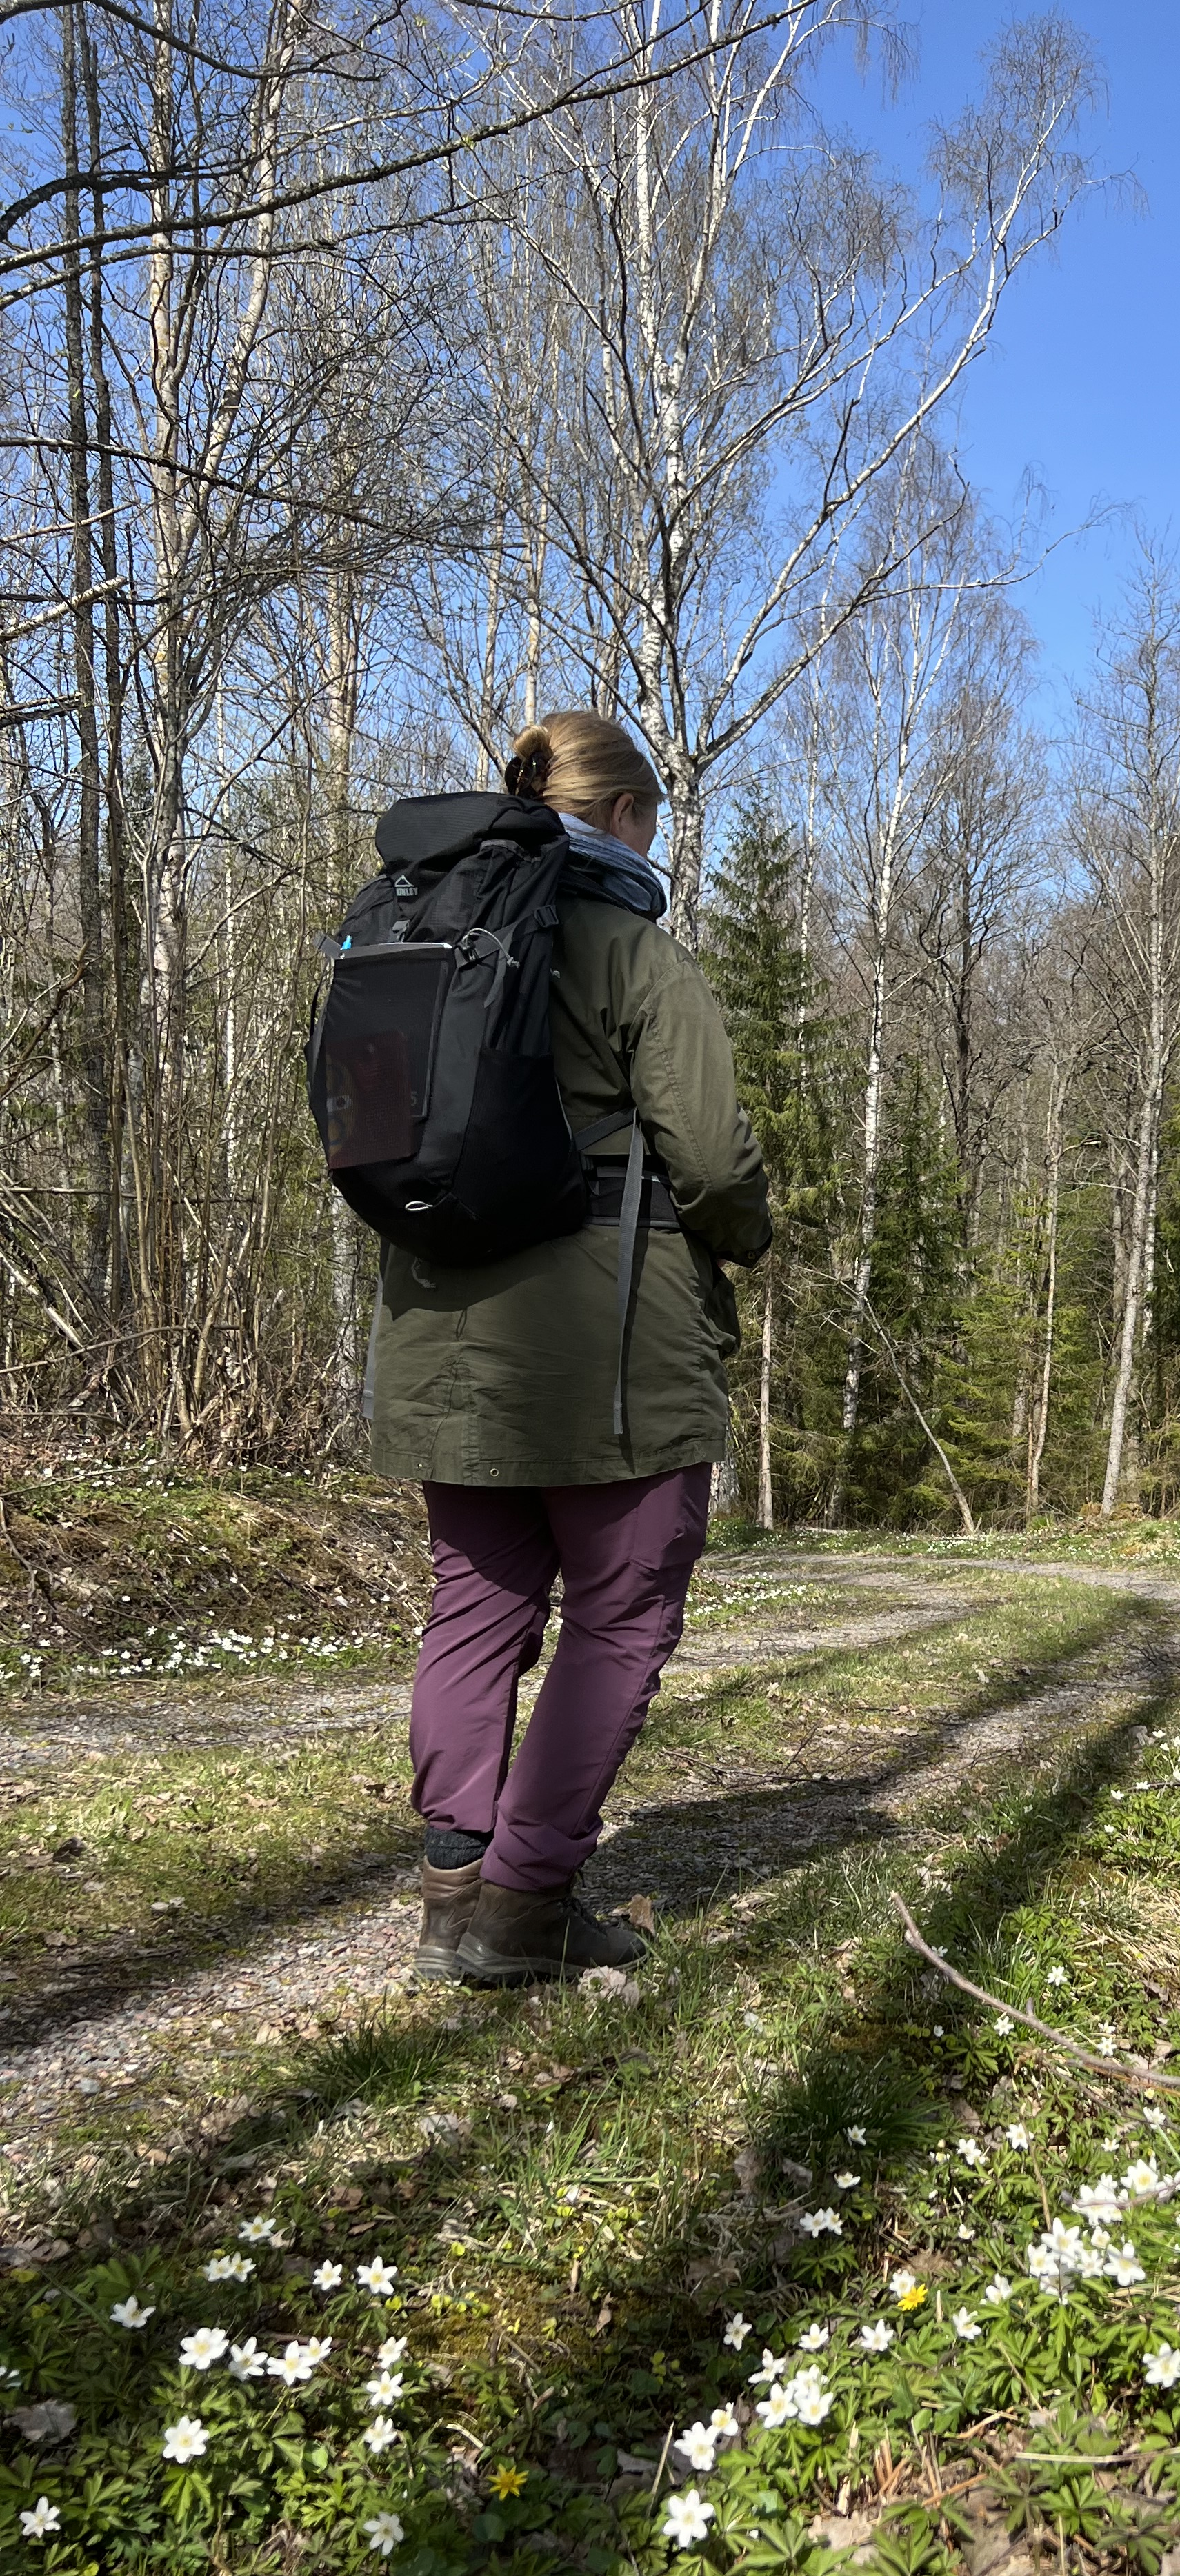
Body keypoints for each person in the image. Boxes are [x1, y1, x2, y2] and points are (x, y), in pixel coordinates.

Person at [368, 710, 772, 1985]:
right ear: (626, 817)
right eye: (654, 823)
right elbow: (713, 1160)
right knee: (622, 1611)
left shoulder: (417, 934)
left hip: (438, 1329)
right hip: (609, 1353)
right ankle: (524, 1905)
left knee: (476, 1602)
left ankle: (452, 1894)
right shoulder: (631, 951)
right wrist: (750, 1235)